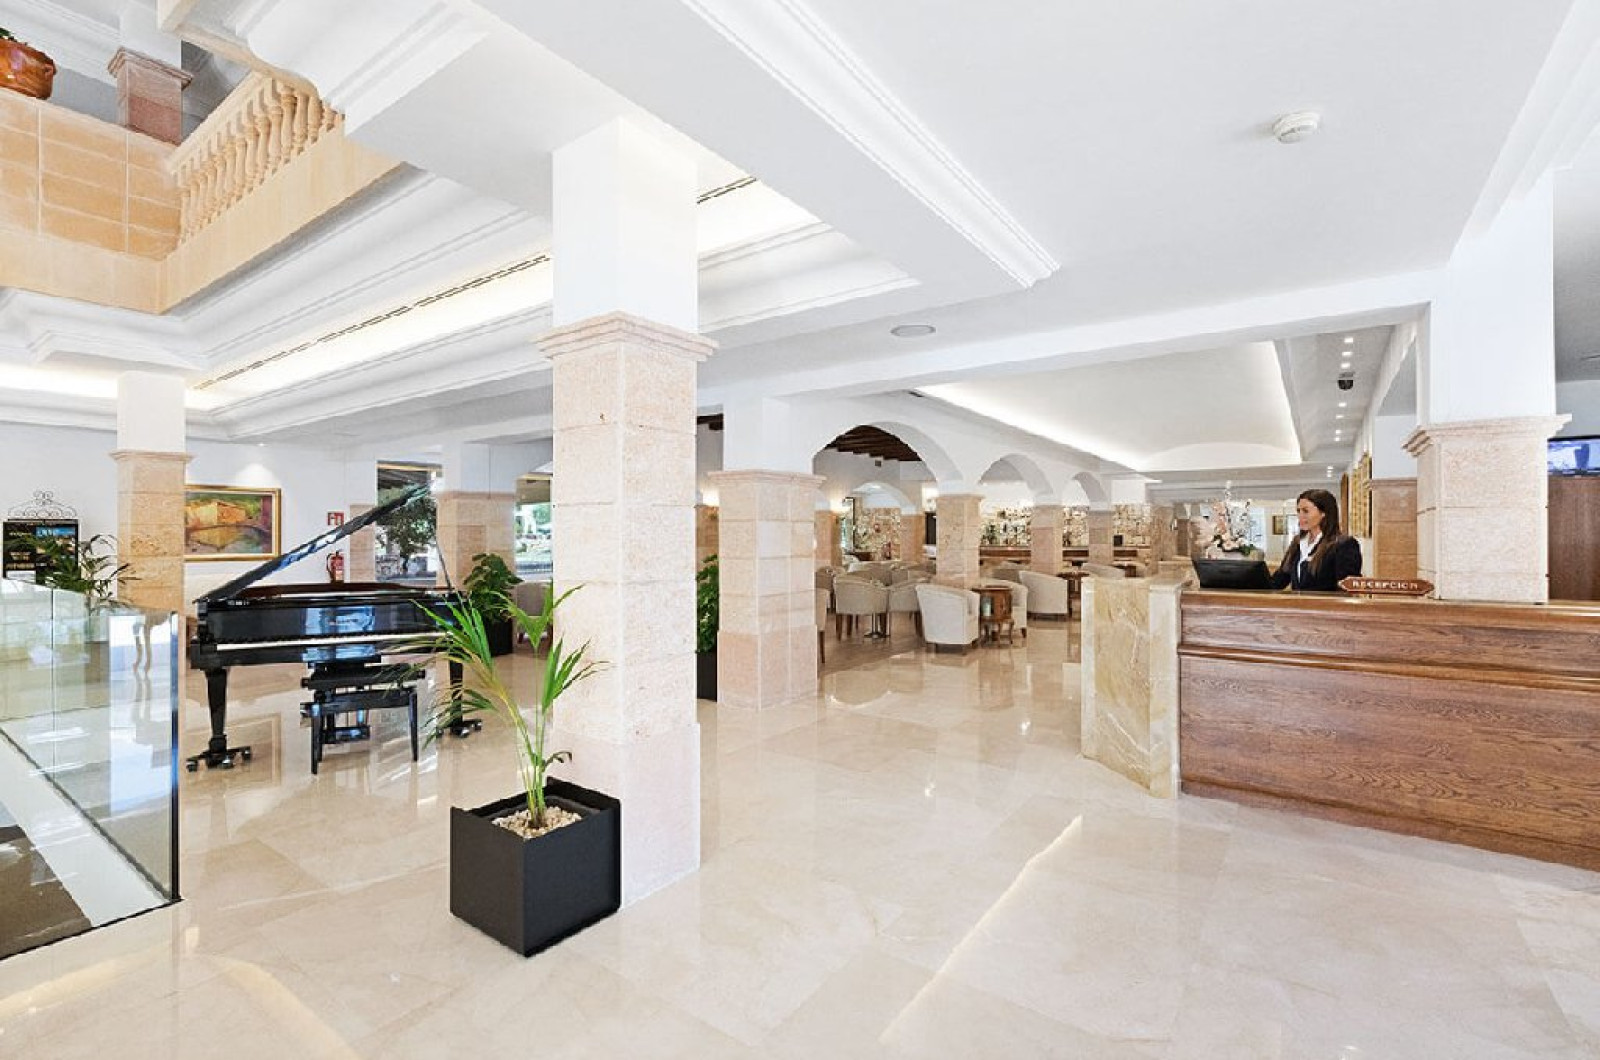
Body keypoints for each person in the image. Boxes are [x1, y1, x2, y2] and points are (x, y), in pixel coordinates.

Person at [1270, 488, 1362, 592]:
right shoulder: (1297, 542)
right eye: (1298, 511)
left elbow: (1347, 588)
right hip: (1298, 602)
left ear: (1323, 513)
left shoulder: (1344, 545)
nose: (1300, 516)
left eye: (1306, 511)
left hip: (1325, 602)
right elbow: (1280, 579)